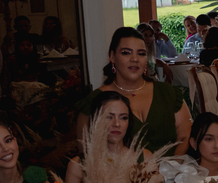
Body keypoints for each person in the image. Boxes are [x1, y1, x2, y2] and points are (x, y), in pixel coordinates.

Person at [74, 27, 191, 157]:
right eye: (126, 52)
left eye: (141, 53)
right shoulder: (93, 102)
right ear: (112, 57)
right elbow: (87, 156)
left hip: (175, 173)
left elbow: (185, 136)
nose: (135, 59)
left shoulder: (167, 92)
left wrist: (172, 169)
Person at [65, 91, 133, 183]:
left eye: (123, 117)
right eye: (109, 117)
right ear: (95, 120)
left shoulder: (143, 157)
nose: (117, 124)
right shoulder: (78, 164)